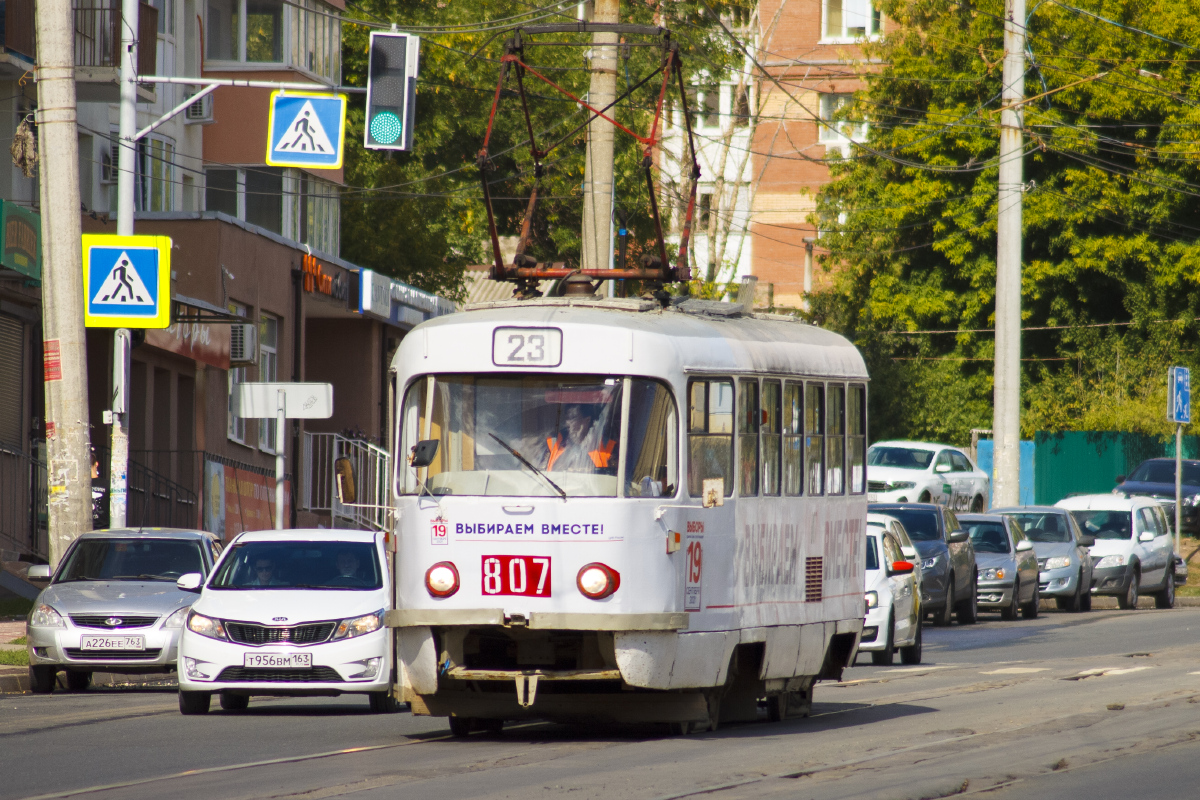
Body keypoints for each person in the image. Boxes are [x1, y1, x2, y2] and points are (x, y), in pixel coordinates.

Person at [543, 403, 617, 473]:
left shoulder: (607, 447)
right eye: (567, 418)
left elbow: (612, 480)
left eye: (572, 418)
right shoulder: (553, 443)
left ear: (587, 420)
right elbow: (541, 472)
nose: (567, 423)